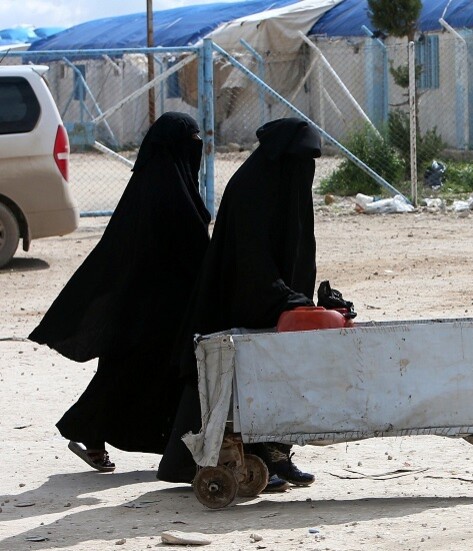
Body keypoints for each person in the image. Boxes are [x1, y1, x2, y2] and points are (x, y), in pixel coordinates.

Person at [29, 112, 211, 472]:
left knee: (139, 376)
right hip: (151, 309)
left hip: (152, 306)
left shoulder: (153, 184)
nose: (196, 149)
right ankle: (89, 432)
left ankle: (157, 446)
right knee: (131, 375)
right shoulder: (165, 190)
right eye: (190, 139)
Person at [157, 117, 321, 491]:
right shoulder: (252, 187)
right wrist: (283, 297)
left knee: (283, 377)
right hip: (242, 303)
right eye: (301, 161)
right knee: (238, 383)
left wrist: (304, 301)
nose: (305, 171)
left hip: (279, 303)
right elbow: (250, 262)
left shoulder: (288, 185)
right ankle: (246, 460)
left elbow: (299, 253)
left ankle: (276, 455)